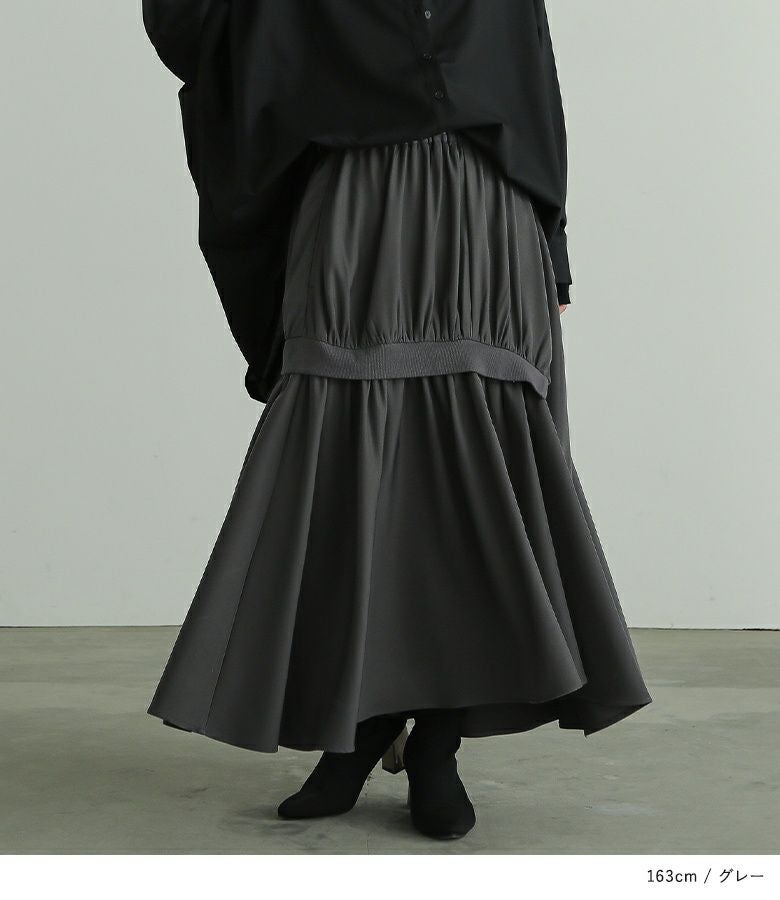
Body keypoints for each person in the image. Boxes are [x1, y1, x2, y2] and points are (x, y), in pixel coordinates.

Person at [142, 0, 652, 841]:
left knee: (473, 491)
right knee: (347, 469)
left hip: (487, 218)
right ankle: (361, 726)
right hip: (357, 208)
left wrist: (554, 244)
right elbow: (195, 25)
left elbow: (533, 79)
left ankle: (438, 743)